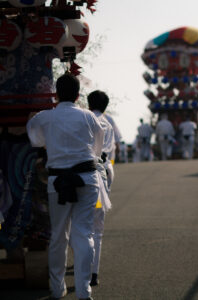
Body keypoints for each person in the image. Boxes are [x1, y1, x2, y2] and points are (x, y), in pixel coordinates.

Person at [26, 73, 104, 300]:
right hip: (87, 179)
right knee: (84, 233)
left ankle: (57, 288)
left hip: (57, 180)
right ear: (79, 95)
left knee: (59, 235)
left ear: (56, 95)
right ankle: (83, 291)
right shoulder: (89, 116)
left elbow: (36, 141)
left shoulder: (44, 118)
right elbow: (97, 150)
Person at [87, 90, 115, 286]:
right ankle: (93, 273)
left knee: (79, 226)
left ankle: (82, 265)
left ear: (89, 104)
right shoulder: (108, 124)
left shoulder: (85, 119)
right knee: (97, 229)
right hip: (102, 176)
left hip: (83, 174)